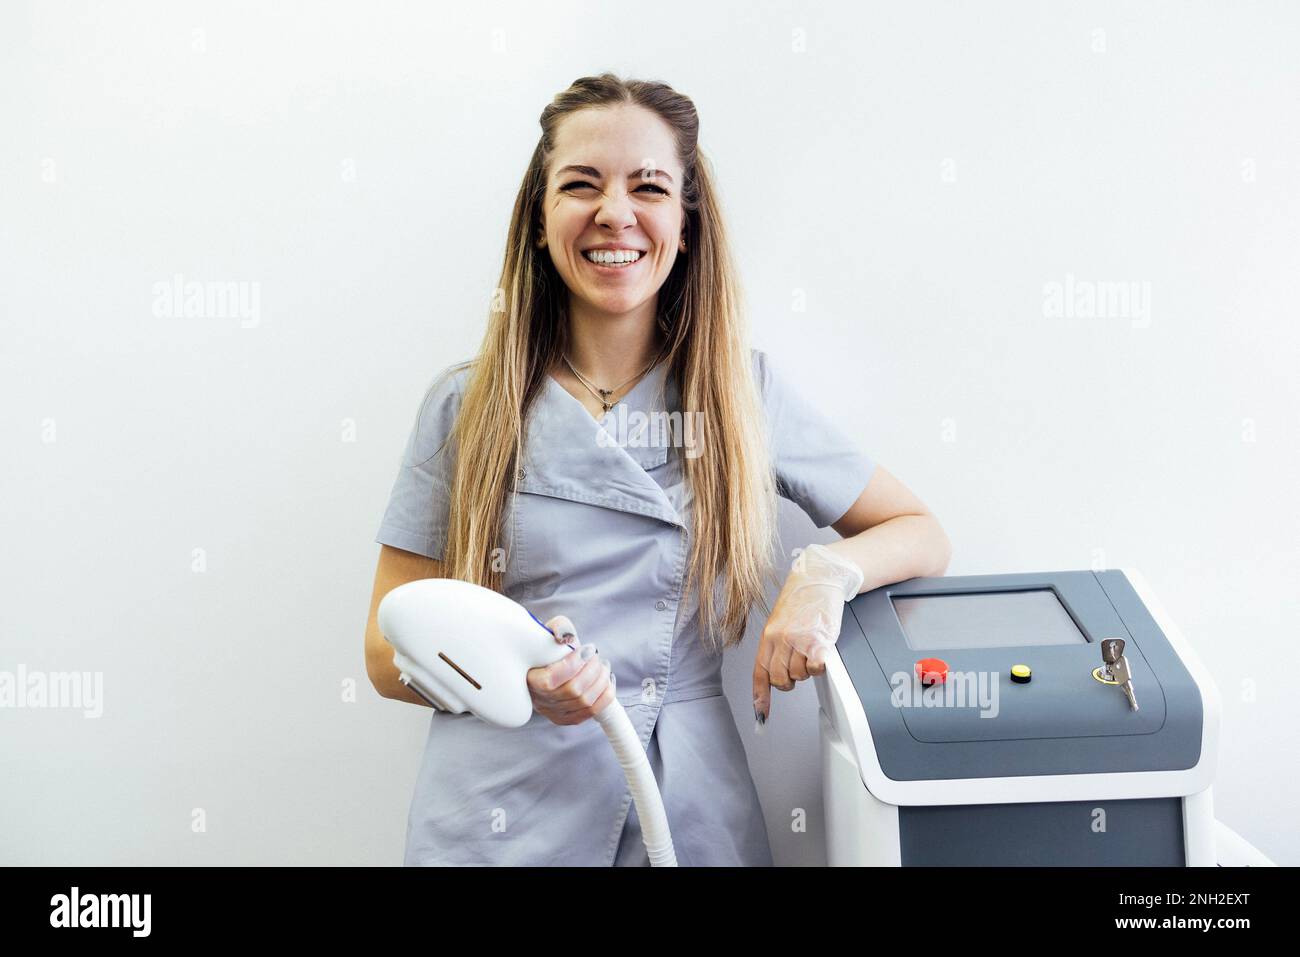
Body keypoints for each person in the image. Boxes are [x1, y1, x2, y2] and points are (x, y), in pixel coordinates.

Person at [363, 72, 952, 866]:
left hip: (682, 802)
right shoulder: (466, 406)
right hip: (496, 813)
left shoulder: (745, 395)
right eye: (581, 184)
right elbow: (382, 650)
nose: (615, 213)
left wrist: (823, 576)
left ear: (685, 223)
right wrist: (522, 678)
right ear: (540, 221)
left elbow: (920, 531)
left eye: (649, 187)